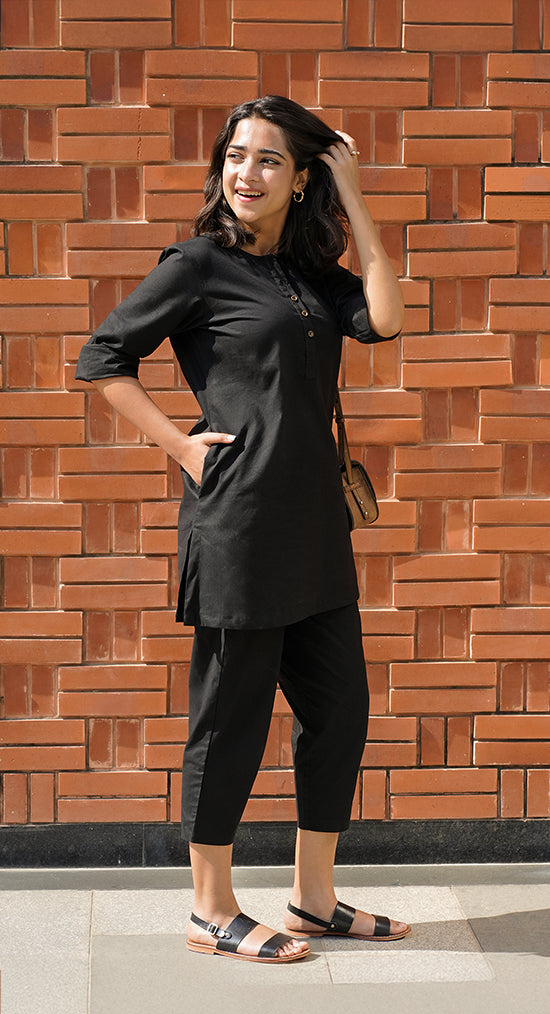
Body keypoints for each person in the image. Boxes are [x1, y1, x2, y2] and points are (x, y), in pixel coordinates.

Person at [76, 95, 410, 964]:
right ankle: (210, 908)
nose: (245, 173)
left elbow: (384, 319)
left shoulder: (311, 273)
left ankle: (313, 897)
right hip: (238, 527)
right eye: (234, 155)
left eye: (267, 159)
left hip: (315, 527)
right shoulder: (196, 265)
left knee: (339, 711)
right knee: (231, 719)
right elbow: (102, 357)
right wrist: (180, 445)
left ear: (300, 180)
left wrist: (354, 196)